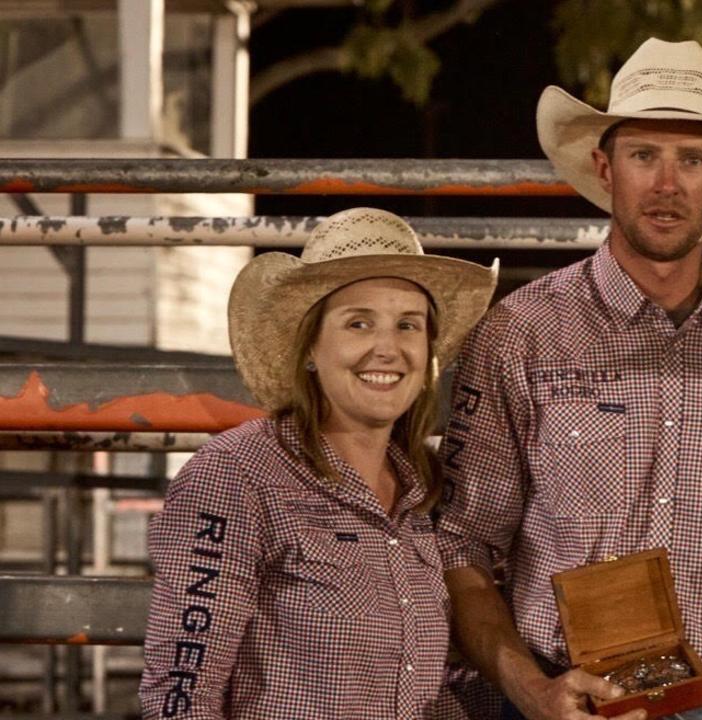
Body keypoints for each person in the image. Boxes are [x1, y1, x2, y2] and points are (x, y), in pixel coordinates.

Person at [437, 38, 702, 720]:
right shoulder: (523, 330)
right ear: (605, 166)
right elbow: (463, 540)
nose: (667, 183)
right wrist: (534, 692)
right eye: (644, 154)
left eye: (693, 159)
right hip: (563, 694)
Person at [138, 207, 498, 719]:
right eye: (359, 323)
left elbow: (430, 687)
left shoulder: (426, 489)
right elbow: (181, 695)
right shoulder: (237, 474)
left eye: (407, 326)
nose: (387, 348)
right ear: (310, 346)